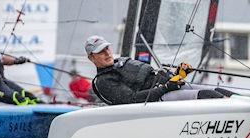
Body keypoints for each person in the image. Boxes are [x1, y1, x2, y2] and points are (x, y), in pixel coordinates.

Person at [85, 35, 231, 105]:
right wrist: (166, 87)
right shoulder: (103, 81)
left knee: (220, 91)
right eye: (101, 51)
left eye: (107, 48)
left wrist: (175, 75)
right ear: (92, 58)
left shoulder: (120, 62)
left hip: (168, 88)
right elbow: (132, 99)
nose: (107, 53)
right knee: (208, 95)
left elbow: (150, 77)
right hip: (157, 101)